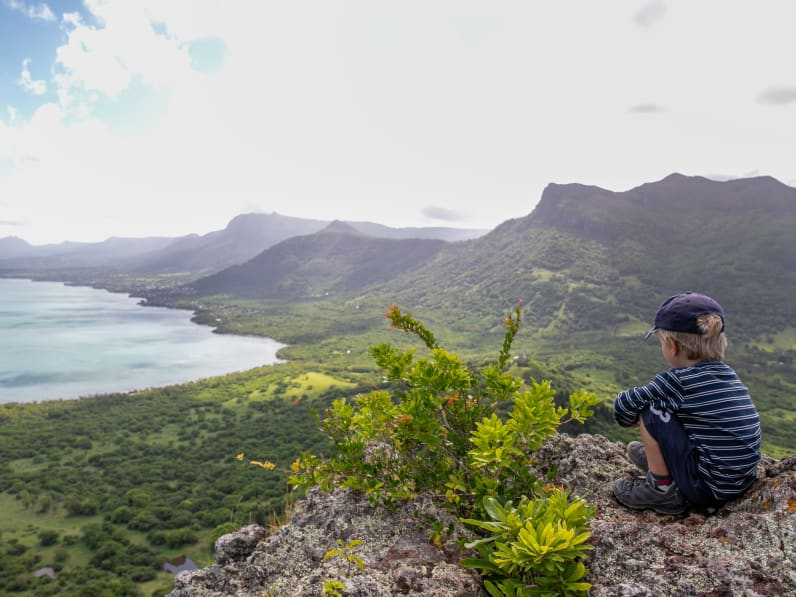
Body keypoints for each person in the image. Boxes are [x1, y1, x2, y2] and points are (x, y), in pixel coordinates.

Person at [612, 291, 761, 515]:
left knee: (651, 410)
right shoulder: (728, 374)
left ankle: (661, 488)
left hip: (708, 488)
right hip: (740, 482)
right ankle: (667, 462)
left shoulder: (677, 381)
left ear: (672, 346)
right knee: (679, 412)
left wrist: (633, 418)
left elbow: (623, 407)